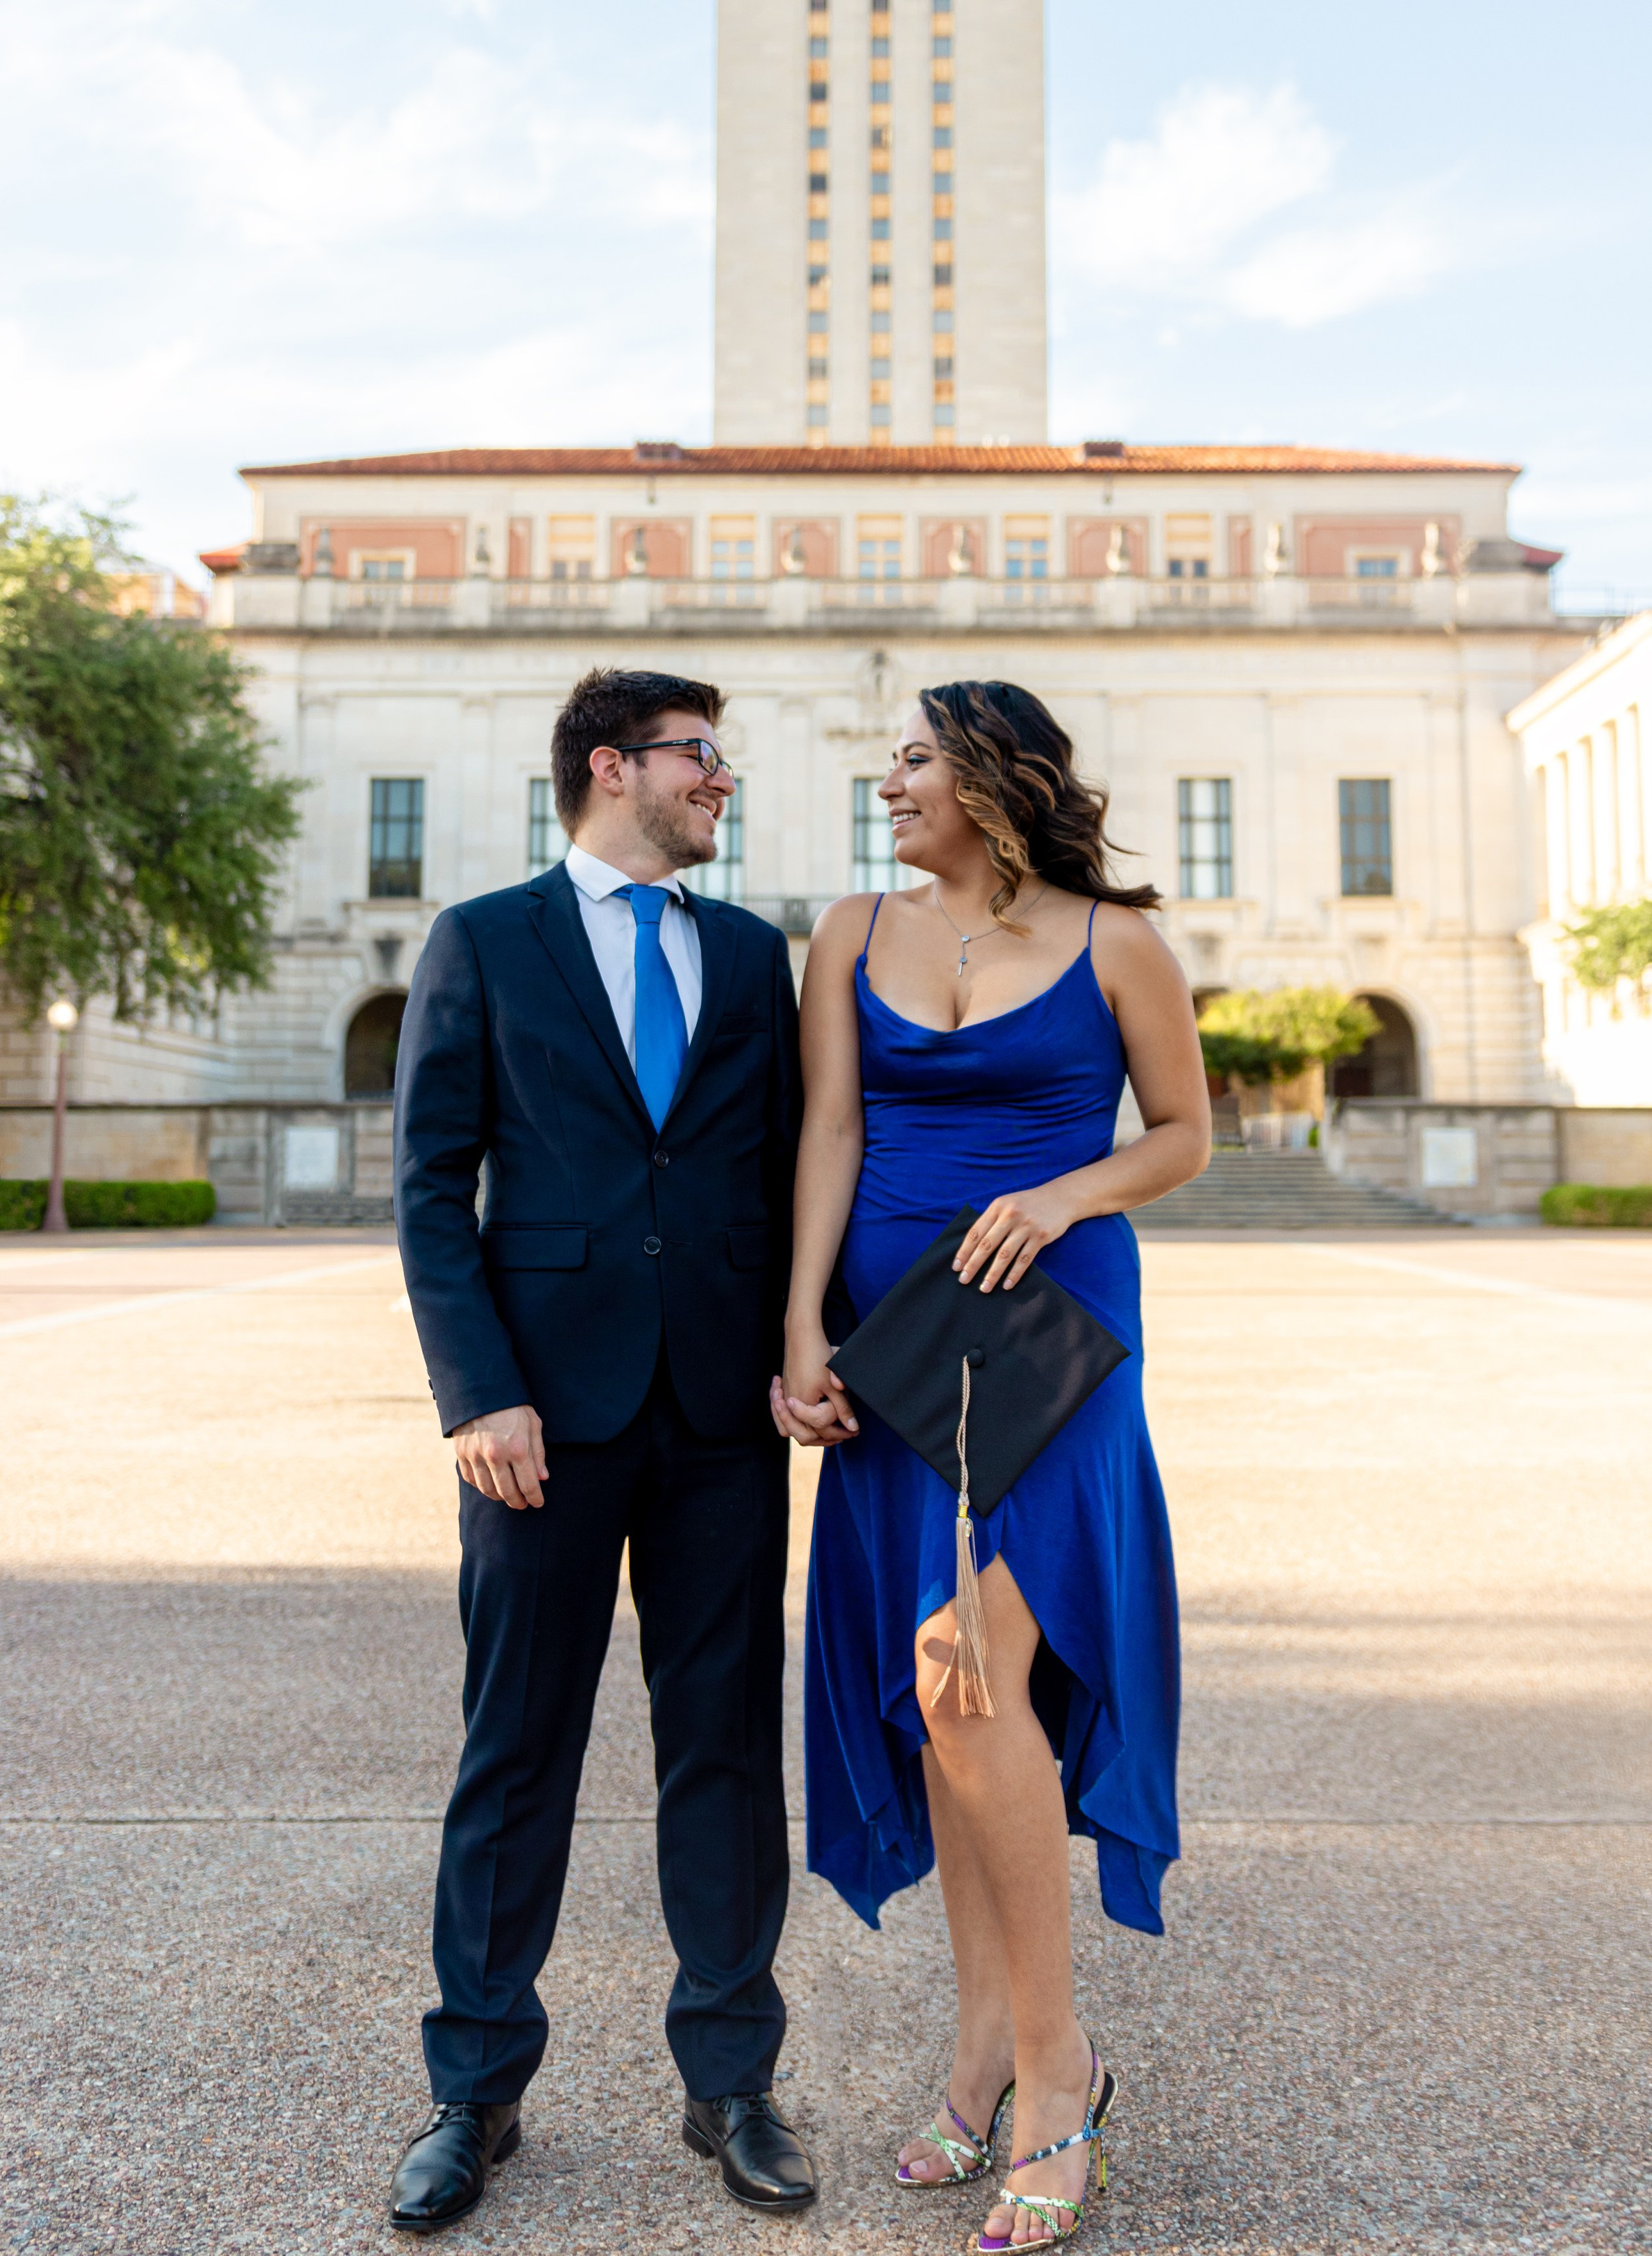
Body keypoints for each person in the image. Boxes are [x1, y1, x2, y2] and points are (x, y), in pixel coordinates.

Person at [774, 680, 1211, 2252]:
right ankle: (976, 2043)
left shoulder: (1115, 943)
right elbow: (828, 1131)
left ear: (983, 777)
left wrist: (1067, 1195)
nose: (882, 783)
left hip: (1051, 1342)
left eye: (907, 760)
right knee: (953, 1708)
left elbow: (1181, 1135)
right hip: (892, 1347)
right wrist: (799, 1329)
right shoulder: (844, 931)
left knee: (970, 1663)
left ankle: (1053, 2071)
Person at [387, 666, 815, 2236]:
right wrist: (476, 1391)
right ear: (606, 766)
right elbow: (435, 1191)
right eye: (700, 755)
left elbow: (784, 1175)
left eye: (719, 756)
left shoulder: (754, 957)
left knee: (722, 1751)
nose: (722, 779)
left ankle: (734, 2084)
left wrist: (809, 1346)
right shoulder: (483, 943)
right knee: (516, 1752)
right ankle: (473, 2091)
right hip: (535, 1428)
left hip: (718, 1422)